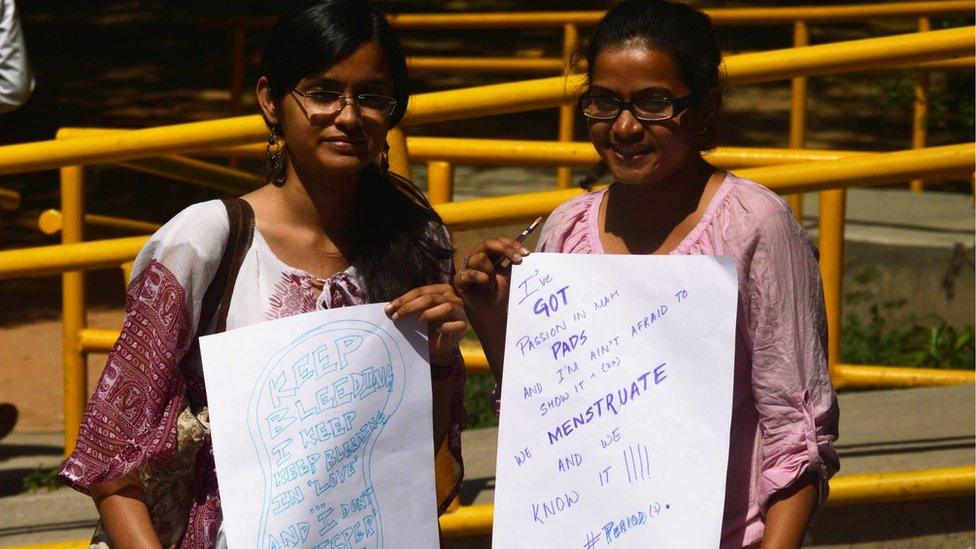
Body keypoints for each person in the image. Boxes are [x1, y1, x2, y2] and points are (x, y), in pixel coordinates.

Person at [58, 1, 467, 547]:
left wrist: (439, 360)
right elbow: (113, 457)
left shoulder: (417, 245)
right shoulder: (206, 241)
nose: (349, 116)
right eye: (323, 93)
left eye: (371, 97)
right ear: (271, 101)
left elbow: (413, 462)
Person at [455, 1, 839, 547]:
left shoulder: (754, 225)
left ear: (704, 109)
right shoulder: (567, 229)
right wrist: (493, 316)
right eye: (604, 103)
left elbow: (798, 430)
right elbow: (552, 415)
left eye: (654, 103)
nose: (626, 127)